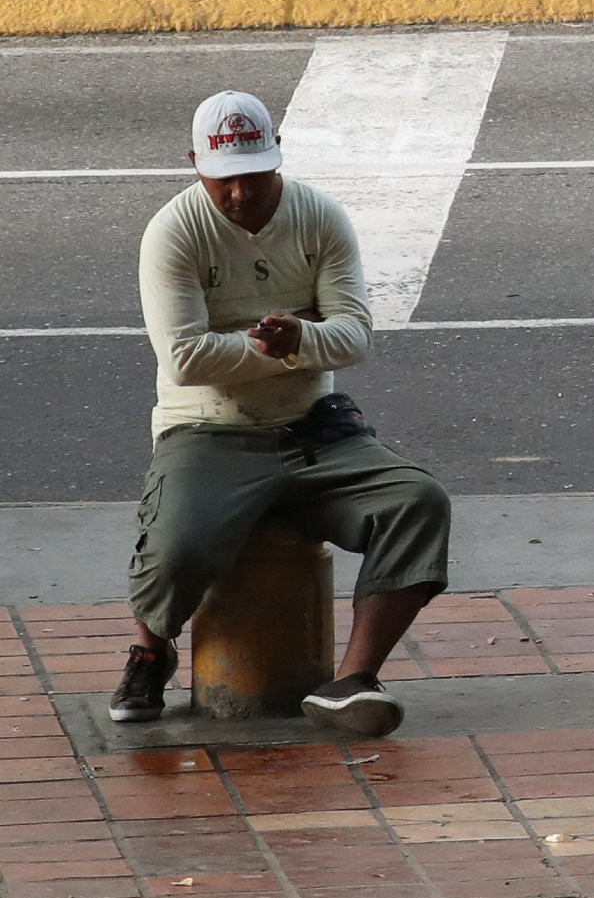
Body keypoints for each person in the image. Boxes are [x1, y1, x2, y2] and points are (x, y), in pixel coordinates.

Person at [116, 90, 454, 737]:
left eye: (254, 175)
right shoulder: (174, 232)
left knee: (418, 502)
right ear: (196, 166)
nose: (241, 193)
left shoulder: (320, 219)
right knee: (177, 541)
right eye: (224, 180)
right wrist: (283, 344)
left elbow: (355, 337)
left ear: (277, 159)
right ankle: (151, 651)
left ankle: (352, 679)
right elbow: (186, 360)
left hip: (313, 428)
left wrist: (298, 341)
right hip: (207, 427)